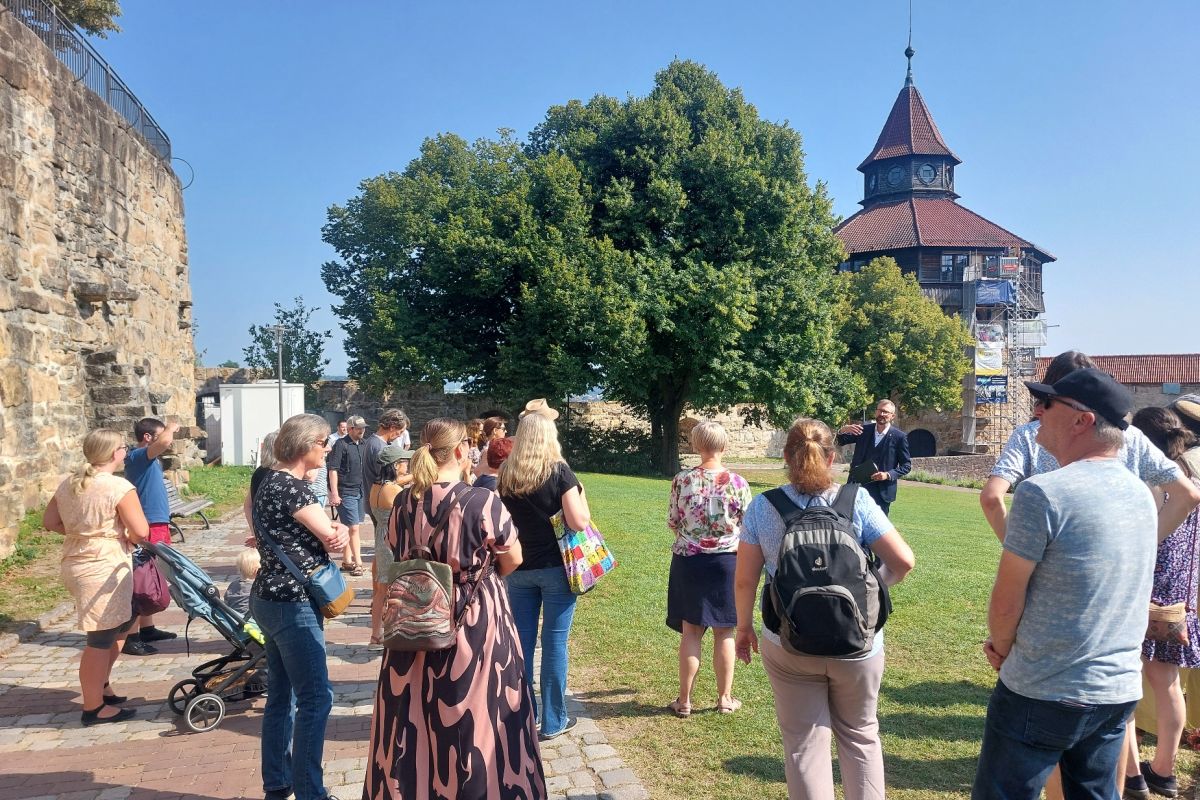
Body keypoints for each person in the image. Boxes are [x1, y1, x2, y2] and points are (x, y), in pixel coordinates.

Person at [973, 369, 1158, 800]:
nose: (1038, 412)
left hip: (1044, 688)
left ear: (1082, 420)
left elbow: (1005, 603)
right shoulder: (1141, 495)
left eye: (1048, 404)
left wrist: (1001, 648)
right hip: (1115, 689)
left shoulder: (1043, 493)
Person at [363, 418, 545, 797]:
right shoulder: (481, 500)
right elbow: (512, 559)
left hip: (413, 617)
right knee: (477, 711)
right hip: (473, 617)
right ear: (462, 450)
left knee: (410, 716)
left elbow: (397, 551)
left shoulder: (403, 502)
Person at [735, 418, 914, 799]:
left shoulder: (763, 507)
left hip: (787, 641)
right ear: (832, 457)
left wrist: (744, 628)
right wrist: (876, 588)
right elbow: (903, 562)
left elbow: (745, 580)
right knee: (860, 737)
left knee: (804, 744)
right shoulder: (857, 500)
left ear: (785, 456)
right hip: (859, 642)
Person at [980, 351, 1200, 543]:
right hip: (1116, 572)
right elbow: (1187, 494)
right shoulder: (1133, 437)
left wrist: (1018, 550)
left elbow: (992, 498)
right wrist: (1144, 548)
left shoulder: (1028, 435)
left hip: (1051, 566)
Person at [250, 414, 349, 800]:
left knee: (281, 694)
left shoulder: (268, 481)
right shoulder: (294, 489)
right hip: (293, 601)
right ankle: (311, 792)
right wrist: (336, 530)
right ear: (306, 445)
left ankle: (277, 781)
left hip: (268, 596)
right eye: (324, 443)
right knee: (315, 697)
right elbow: (332, 539)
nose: (327, 450)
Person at [43, 429, 149, 726]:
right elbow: (141, 531)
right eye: (123, 448)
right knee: (100, 637)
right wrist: (114, 535)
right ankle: (93, 707)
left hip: (76, 560)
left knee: (123, 624)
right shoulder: (118, 486)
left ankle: (101, 685)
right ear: (115, 453)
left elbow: (50, 521)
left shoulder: (70, 483)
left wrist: (82, 534)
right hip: (103, 564)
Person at [1122, 407, 1200, 799]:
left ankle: (1134, 775)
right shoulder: (1188, 476)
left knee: (1124, 683)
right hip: (1177, 600)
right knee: (1168, 686)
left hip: (1141, 592)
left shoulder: (1150, 480)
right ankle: (1164, 771)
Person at [498, 408, 590, 740]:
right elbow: (579, 522)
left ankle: (523, 716)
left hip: (519, 567)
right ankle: (553, 720)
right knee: (554, 642)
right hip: (556, 568)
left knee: (521, 643)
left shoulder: (507, 473)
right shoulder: (560, 472)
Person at [665, 421, 752, 718]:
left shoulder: (682, 480)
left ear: (695, 445)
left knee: (691, 631)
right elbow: (748, 525)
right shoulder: (738, 483)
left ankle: (685, 700)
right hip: (727, 562)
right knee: (724, 633)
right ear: (724, 445)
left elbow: (673, 521)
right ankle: (725, 698)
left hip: (689, 560)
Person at [122, 416, 181, 654]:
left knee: (152, 575)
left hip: (157, 524)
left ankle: (147, 628)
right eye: (158, 435)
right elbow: (164, 442)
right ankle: (130, 635)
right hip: (145, 525)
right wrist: (171, 427)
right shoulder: (137, 457)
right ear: (147, 438)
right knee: (140, 579)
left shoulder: (149, 459)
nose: (166, 439)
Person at [367, 443, 412, 646]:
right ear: (395, 465)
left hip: (380, 537)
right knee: (394, 589)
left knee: (380, 591)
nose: (407, 466)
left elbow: (399, 481)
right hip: (391, 541)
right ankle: (393, 631)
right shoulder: (394, 490)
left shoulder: (377, 487)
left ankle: (376, 634)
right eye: (404, 462)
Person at [836, 400, 911, 515]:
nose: (882, 414)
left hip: (881, 492)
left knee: (877, 531)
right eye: (880, 411)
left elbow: (906, 466)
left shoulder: (899, 437)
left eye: (886, 412)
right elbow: (841, 441)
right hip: (856, 487)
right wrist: (842, 430)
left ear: (892, 416)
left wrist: (887, 475)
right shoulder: (863, 430)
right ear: (876, 412)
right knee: (851, 525)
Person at [328, 415, 368, 576]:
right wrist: (334, 493)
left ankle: (346, 561)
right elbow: (333, 469)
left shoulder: (364, 444)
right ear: (350, 429)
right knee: (354, 527)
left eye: (363, 428)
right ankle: (358, 563)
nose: (362, 431)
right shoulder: (341, 444)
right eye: (359, 428)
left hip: (361, 490)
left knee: (349, 526)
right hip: (346, 491)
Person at [224, 548, 261, 617]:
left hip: (235, 621)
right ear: (257, 570)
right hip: (254, 623)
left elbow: (226, 603)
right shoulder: (259, 586)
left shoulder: (233, 585)